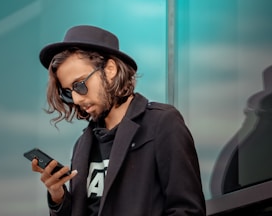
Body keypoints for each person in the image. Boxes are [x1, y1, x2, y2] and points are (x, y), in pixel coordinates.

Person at [31, 25, 206, 216]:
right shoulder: (82, 145)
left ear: (110, 70)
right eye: (68, 92)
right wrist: (58, 198)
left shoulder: (161, 123)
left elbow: (188, 210)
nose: (76, 99)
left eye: (80, 85)